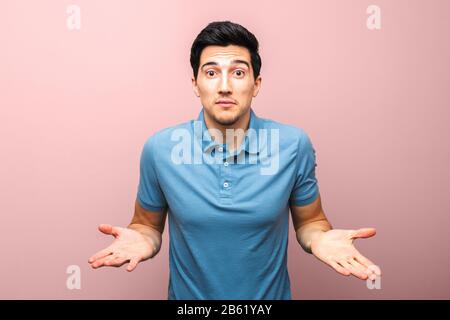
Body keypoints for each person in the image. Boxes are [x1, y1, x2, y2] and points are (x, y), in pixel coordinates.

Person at [88, 21, 381, 299]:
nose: (224, 86)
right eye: (212, 73)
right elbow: (146, 225)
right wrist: (143, 239)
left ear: (256, 84)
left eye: (238, 73)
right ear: (195, 83)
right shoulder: (160, 149)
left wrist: (320, 239)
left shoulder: (293, 145)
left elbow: (312, 221)